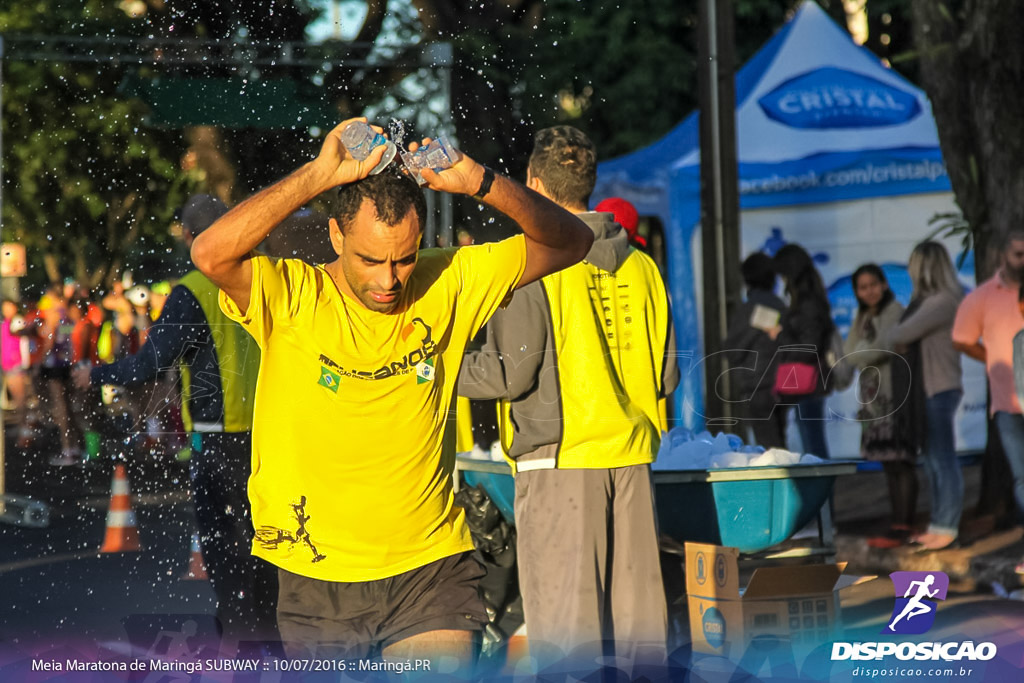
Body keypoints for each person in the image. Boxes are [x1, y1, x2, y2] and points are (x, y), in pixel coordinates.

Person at [189, 118, 593, 664]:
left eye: (403, 258)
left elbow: (573, 239)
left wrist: (479, 180)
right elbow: (210, 253)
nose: (389, 281)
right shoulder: (290, 294)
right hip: (315, 574)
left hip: (430, 571)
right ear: (336, 236)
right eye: (371, 260)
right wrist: (317, 175)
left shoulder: (451, 278)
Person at [458, 126, 677, 665]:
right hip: (631, 461)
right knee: (638, 641)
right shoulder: (644, 265)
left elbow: (508, 375)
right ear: (589, 182)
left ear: (533, 183)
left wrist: (432, 368)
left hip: (559, 464)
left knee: (566, 643)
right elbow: (666, 378)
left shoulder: (532, 259)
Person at [73, 194, 278, 643]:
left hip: (220, 443)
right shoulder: (269, 275)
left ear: (192, 237)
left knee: (228, 559)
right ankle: (275, 646)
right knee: (271, 552)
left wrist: (97, 372)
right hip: (276, 438)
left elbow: (150, 364)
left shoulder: (197, 287)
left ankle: (247, 654)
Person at [888, 243, 963, 552]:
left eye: (913, 265)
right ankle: (938, 523)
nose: (909, 271)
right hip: (929, 389)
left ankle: (947, 526)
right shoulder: (930, 302)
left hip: (938, 387)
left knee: (942, 459)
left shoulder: (943, 301)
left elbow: (897, 336)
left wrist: (902, 337)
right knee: (932, 459)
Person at [952, 231, 1024, 544]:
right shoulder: (982, 297)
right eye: (1019, 254)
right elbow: (962, 339)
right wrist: (992, 358)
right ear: (1002, 257)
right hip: (1008, 404)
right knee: (1022, 477)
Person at [844, 264, 915, 548]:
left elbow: (885, 345)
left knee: (901, 461)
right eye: (863, 287)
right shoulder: (862, 316)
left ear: (884, 284)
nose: (869, 291)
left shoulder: (895, 311)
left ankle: (905, 524)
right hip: (873, 405)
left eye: (874, 284)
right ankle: (897, 523)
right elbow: (848, 355)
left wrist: (863, 351)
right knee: (888, 463)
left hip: (894, 398)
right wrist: (864, 353)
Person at [769, 243, 834, 458]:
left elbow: (809, 346)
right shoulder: (811, 299)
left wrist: (779, 335)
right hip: (807, 383)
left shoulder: (807, 303)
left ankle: (823, 492)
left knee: (813, 447)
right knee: (812, 443)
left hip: (809, 383)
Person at [723, 252, 787, 448]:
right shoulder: (781, 306)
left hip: (757, 385)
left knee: (768, 445)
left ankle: (780, 479)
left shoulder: (750, 308)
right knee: (779, 440)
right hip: (782, 383)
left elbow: (732, 349)